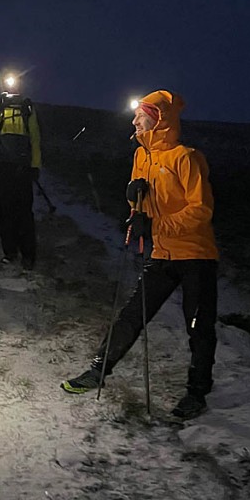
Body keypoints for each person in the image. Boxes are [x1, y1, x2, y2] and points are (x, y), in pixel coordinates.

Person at [61, 90, 219, 420]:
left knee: (198, 326)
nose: (134, 120)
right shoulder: (141, 157)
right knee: (132, 314)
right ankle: (98, 371)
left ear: (158, 119)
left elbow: (201, 210)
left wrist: (157, 223)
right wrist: (134, 205)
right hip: (161, 253)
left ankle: (197, 392)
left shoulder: (185, 157)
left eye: (141, 115)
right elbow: (142, 207)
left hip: (195, 255)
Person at [0, 74, 42, 270]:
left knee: (24, 212)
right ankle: (10, 253)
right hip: (3, 167)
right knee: (6, 211)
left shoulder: (27, 107)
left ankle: (28, 255)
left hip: (22, 167)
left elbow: (35, 138)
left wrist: (35, 165)